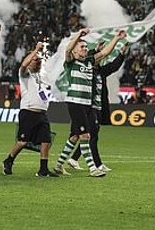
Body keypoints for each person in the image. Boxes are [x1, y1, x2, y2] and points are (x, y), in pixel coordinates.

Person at [53, 28, 126, 178]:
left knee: (75, 137)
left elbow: (104, 53)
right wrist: (79, 34)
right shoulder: (70, 62)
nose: (85, 49)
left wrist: (117, 38)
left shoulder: (89, 62)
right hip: (75, 103)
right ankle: (93, 168)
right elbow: (67, 49)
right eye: (82, 47)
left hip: (88, 105)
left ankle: (59, 165)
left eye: (86, 47)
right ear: (75, 50)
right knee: (85, 136)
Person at [67, 41, 129, 173]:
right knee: (91, 136)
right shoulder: (87, 70)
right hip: (89, 107)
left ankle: (73, 159)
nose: (100, 59)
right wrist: (95, 50)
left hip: (98, 107)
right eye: (98, 58)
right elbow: (91, 56)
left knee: (83, 135)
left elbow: (113, 66)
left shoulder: (101, 71)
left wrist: (122, 54)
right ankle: (97, 164)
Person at [2, 42, 59, 177]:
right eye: (35, 59)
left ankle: (43, 170)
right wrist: (36, 50)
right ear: (29, 62)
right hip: (28, 112)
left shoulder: (41, 76)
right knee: (23, 142)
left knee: (46, 141)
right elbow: (23, 65)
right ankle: (8, 160)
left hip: (42, 114)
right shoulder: (25, 75)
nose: (38, 61)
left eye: (39, 60)